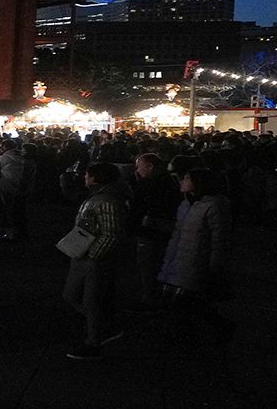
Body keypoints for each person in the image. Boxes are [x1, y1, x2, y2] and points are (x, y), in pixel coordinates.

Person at [158, 167, 233, 349]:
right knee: (190, 303)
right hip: (181, 260)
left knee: (182, 304)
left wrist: (215, 267)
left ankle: (185, 340)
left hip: (197, 261)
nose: (182, 181)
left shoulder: (213, 206)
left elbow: (219, 240)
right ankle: (213, 328)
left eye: (186, 179)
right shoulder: (188, 204)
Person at [61, 163, 129, 360]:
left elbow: (111, 234)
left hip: (93, 257)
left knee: (90, 299)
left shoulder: (106, 200)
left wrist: (93, 256)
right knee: (75, 295)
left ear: (96, 178)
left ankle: (95, 338)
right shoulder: (101, 197)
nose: (84, 177)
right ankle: (102, 328)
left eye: (87, 175)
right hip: (86, 254)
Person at [129, 152, 179, 308]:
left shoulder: (149, 184)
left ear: (150, 167)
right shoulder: (171, 181)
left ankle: (150, 299)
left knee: (148, 266)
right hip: (163, 230)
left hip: (149, 231)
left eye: (139, 167)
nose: (137, 171)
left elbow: (137, 207)